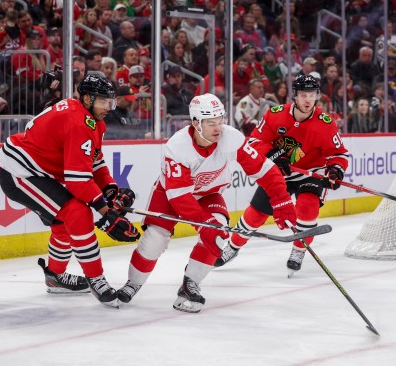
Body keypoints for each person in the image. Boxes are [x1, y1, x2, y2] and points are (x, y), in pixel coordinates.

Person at [116, 93, 297, 312]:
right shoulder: (177, 146)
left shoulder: (232, 138)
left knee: (218, 234)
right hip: (170, 195)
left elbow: (265, 170)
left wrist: (282, 200)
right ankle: (133, 283)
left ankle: (190, 284)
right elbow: (180, 197)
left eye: (221, 121)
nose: (218, 128)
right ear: (195, 123)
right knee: (155, 239)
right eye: (211, 123)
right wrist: (203, 223)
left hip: (209, 194)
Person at [0, 74, 139, 308]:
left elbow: (94, 160)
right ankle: (96, 278)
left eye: (110, 102)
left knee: (63, 222)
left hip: (39, 171)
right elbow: (78, 180)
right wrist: (106, 212)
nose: (108, 108)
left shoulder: (93, 120)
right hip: (19, 172)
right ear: (87, 98)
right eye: (103, 102)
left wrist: (110, 189)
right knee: (77, 213)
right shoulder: (78, 121)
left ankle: (55, 276)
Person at [215, 75, 349, 276]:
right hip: (279, 174)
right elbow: (255, 142)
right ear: (294, 95)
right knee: (255, 214)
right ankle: (232, 248)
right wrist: (273, 155)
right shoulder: (275, 114)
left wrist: (335, 170)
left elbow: (338, 154)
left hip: (310, 173)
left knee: (307, 206)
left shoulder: (325, 123)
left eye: (311, 95)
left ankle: (299, 249)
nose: (307, 100)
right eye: (303, 95)